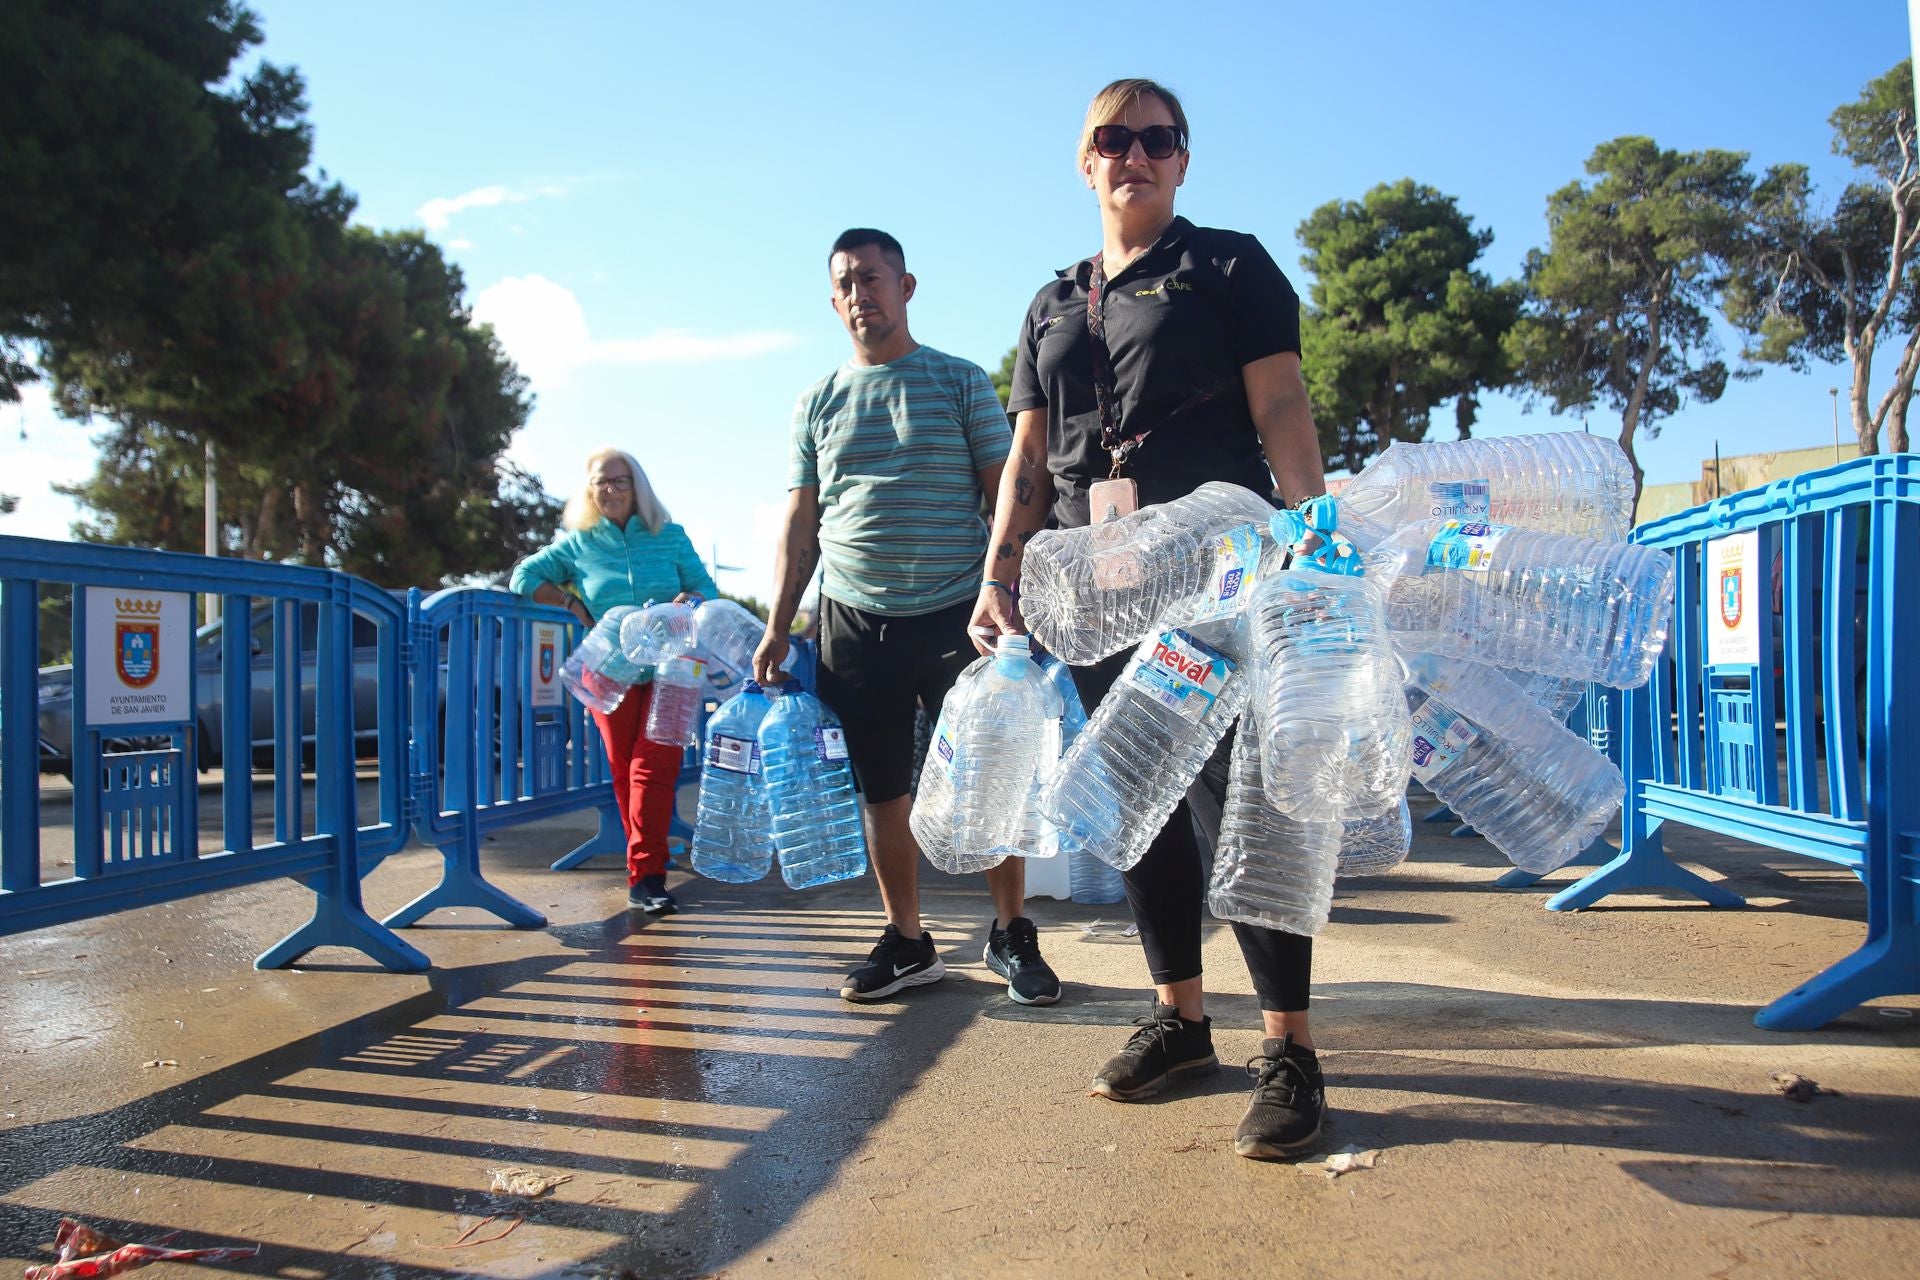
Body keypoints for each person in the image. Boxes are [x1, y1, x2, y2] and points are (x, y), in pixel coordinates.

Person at [971, 79, 1333, 1159]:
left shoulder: (1229, 266)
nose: (1134, 154)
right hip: (1096, 589)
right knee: (1139, 802)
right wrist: (1000, 578)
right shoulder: (1049, 303)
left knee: (1239, 799)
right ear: (1083, 161)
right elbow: (1031, 461)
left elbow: (1280, 404)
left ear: (1183, 160)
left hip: (1217, 574)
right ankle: (1182, 1018)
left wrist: (1315, 537)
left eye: (1156, 139)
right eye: (1112, 139)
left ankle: (1292, 1049)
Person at [752, 228, 1061, 1007]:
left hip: (961, 614)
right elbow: (802, 521)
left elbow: (1009, 495)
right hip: (853, 620)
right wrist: (777, 623)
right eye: (846, 285)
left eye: (873, 279)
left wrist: (1014, 593)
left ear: (907, 285)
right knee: (882, 790)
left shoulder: (959, 382)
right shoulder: (816, 401)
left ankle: (1009, 930)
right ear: (834, 301)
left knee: (988, 777)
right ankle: (910, 941)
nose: (861, 295)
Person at [511, 447, 718, 914]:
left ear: (637, 486)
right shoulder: (578, 543)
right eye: (601, 482)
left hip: (675, 670)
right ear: (589, 490)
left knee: (654, 766)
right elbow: (522, 577)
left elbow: (707, 588)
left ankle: (647, 875)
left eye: (620, 481)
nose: (610, 489)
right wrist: (568, 604)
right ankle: (643, 866)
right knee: (625, 769)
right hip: (607, 669)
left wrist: (690, 598)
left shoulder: (670, 536)